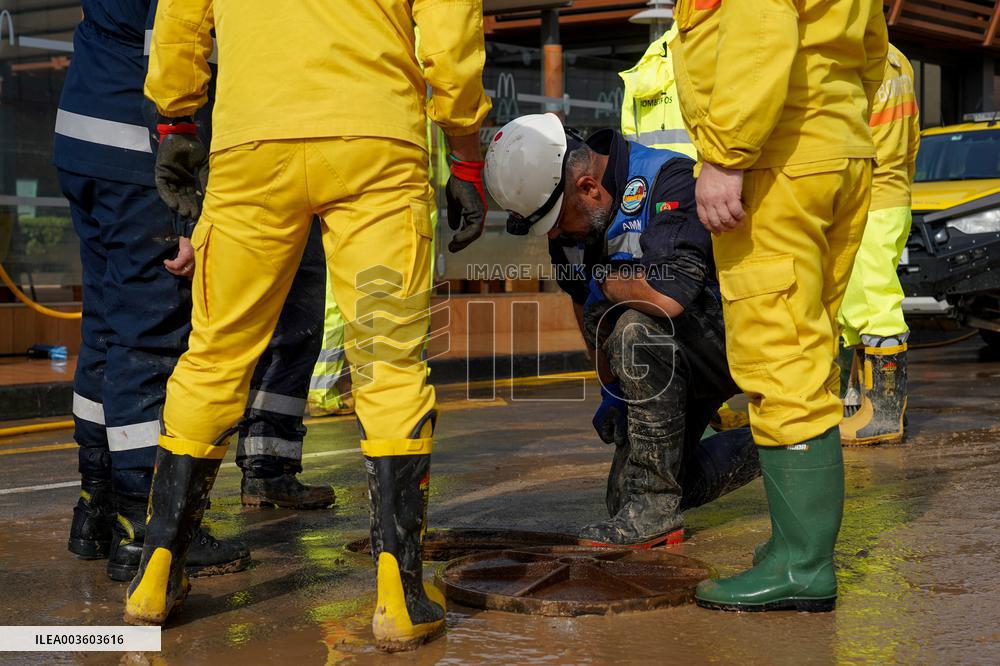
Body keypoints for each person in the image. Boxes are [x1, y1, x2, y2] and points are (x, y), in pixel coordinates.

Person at [127, 0, 490, 653]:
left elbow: (182, 15)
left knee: (214, 355)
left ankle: (158, 572)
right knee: (388, 365)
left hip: (252, 141)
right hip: (376, 140)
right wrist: (464, 156)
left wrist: (177, 118)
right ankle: (399, 597)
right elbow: (451, 34)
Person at [672, 0, 888, 611]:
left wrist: (725, 155)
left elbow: (760, 34)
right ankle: (794, 543)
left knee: (779, 355)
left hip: (778, 158)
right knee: (808, 344)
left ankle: (803, 565)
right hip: (836, 151)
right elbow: (870, 53)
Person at [485, 113, 760, 548]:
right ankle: (772, 444)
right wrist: (612, 390)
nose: (555, 235)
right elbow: (584, 306)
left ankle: (655, 512)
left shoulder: (667, 179)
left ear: (589, 188)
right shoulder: (571, 230)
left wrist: (604, 283)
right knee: (620, 499)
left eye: (558, 221)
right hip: (667, 357)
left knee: (635, 327)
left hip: (731, 340)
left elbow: (667, 296)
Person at [55, 0, 249, 582]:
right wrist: (185, 211)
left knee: (107, 332)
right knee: (150, 340)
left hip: (83, 142)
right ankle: (144, 526)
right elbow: (172, 64)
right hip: (135, 154)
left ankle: (96, 505)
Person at [838, 44, 920, 446]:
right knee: (856, 302)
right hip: (891, 193)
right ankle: (860, 403)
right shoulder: (897, 58)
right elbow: (912, 138)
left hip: (868, 196)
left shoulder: (859, 55)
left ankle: (884, 415)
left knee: (874, 304)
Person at [619, 24, 696, 159]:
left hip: (649, 166)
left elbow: (628, 126)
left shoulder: (650, 56)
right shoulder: (696, 49)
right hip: (692, 165)